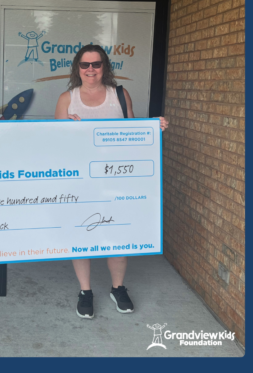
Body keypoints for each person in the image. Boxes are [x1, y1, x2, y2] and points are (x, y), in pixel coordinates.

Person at [54, 45, 168, 319]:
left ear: (105, 66)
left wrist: (153, 128)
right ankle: (85, 291)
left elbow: (133, 132)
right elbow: (55, 142)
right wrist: (67, 129)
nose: (90, 69)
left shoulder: (119, 94)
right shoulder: (66, 98)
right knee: (81, 234)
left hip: (118, 178)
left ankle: (118, 288)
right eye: (85, 65)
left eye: (96, 64)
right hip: (80, 180)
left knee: (118, 234)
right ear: (77, 68)